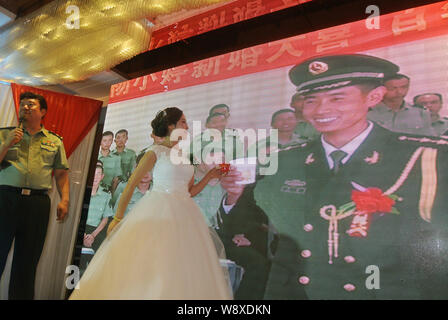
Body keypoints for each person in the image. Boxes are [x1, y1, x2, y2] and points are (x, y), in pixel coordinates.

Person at [222, 54, 448, 299]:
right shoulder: (284, 160)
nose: (321, 110)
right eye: (311, 100)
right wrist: (234, 196)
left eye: (337, 98)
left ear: (374, 96)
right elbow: (241, 224)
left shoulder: (426, 156)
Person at [70, 107, 232, 299]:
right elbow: (130, 186)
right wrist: (118, 218)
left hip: (184, 217)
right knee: (151, 265)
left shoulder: (185, 156)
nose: (187, 126)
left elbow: (189, 191)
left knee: (178, 269)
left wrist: (210, 177)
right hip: (158, 211)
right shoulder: (155, 152)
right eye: (183, 121)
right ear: (171, 126)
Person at [0, 91, 70, 299]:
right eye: (22, 104)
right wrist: (6, 144)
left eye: (31, 104)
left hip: (38, 204)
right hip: (5, 199)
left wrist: (65, 200)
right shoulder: (4, 134)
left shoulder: (55, 141)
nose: (25, 107)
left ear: (43, 112)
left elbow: (61, 175)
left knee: (27, 263)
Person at [367, 74, 435, 135]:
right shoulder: (367, 112)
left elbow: (428, 139)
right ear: (381, 90)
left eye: (403, 87)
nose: (399, 92)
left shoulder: (420, 112)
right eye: (392, 88)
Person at [113, 152, 152, 217]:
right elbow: (114, 214)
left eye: (150, 168)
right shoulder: (123, 187)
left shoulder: (159, 191)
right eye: (143, 167)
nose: (146, 173)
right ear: (136, 167)